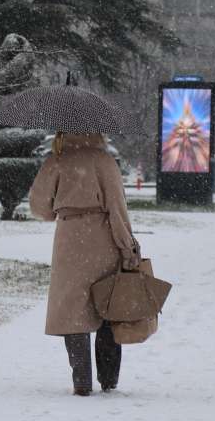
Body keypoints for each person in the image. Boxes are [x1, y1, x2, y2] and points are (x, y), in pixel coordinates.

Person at [29, 132, 140, 396]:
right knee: (107, 306)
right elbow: (117, 208)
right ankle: (109, 379)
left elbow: (40, 207)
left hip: (69, 240)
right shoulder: (105, 161)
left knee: (73, 310)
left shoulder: (57, 160)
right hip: (103, 239)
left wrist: (63, 205)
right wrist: (128, 246)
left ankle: (81, 380)